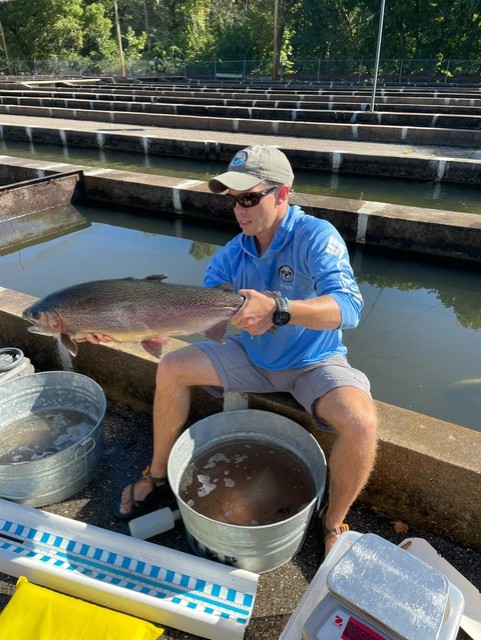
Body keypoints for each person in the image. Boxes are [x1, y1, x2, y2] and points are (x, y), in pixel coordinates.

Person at [85, 145, 378, 558]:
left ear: (282, 193)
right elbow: (195, 315)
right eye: (233, 200)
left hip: (314, 361)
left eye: (249, 198)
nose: (239, 210)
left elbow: (349, 307)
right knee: (171, 367)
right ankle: (157, 474)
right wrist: (122, 330)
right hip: (252, 355)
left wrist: (279, 308)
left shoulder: (316, 236)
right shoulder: (231, 255)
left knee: (362, 423)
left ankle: (332, 523)